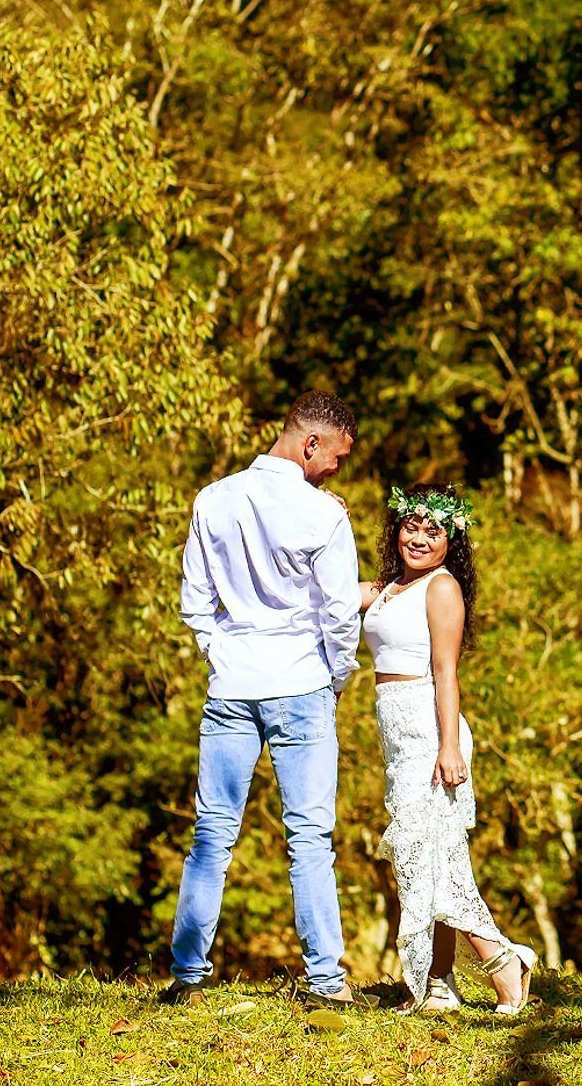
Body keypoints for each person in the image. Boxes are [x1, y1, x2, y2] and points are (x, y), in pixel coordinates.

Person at [161, 391, 369, 1008]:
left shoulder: (212, 499)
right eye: (336, 456)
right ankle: (327, 984)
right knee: (310, 837)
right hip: (302, 683)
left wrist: (221, 655)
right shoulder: (324, 515)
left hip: (232, 684)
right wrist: (336, 677)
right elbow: (338, 613)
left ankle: (189, 977)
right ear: (311, 444)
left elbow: (195, 604)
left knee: (211, 834)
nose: (337, 468)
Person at [363, 483, 535, 1014]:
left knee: (430, 855)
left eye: (432, 530)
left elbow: (445, 671)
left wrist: (449, 747)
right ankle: (438, 984)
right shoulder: (387, 588)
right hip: (399, 736)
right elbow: (326, 586)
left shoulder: (441, 588)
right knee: (429, 857)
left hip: (431, 732)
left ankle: (505, 965)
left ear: (450, 538)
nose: (418, 537)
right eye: (410, 526)